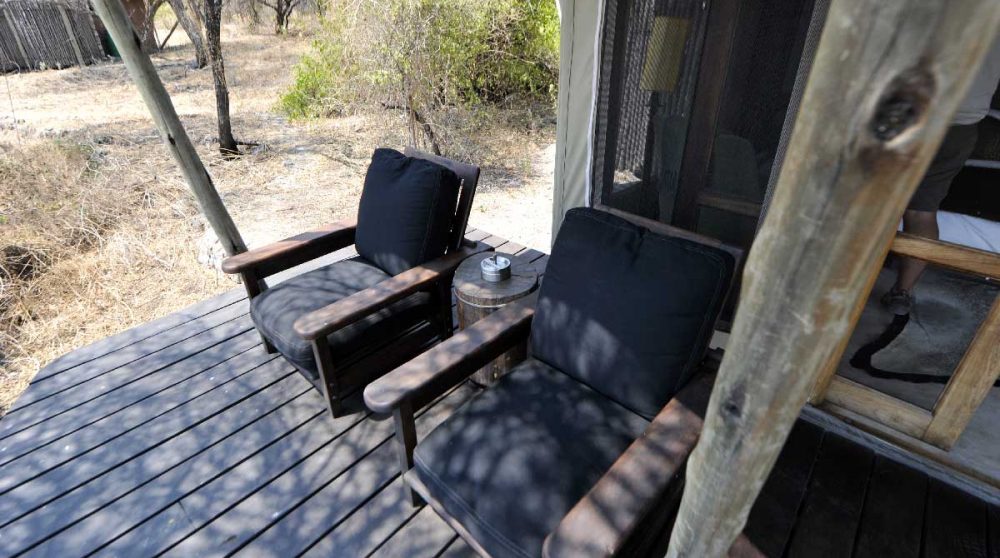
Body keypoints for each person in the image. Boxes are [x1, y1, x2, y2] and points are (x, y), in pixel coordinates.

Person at [882, 39, 1000, 315]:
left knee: (872, 202)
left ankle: (844, 278)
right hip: (962, 123)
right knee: (922, 212)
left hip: (909, 109)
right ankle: (903, 292)